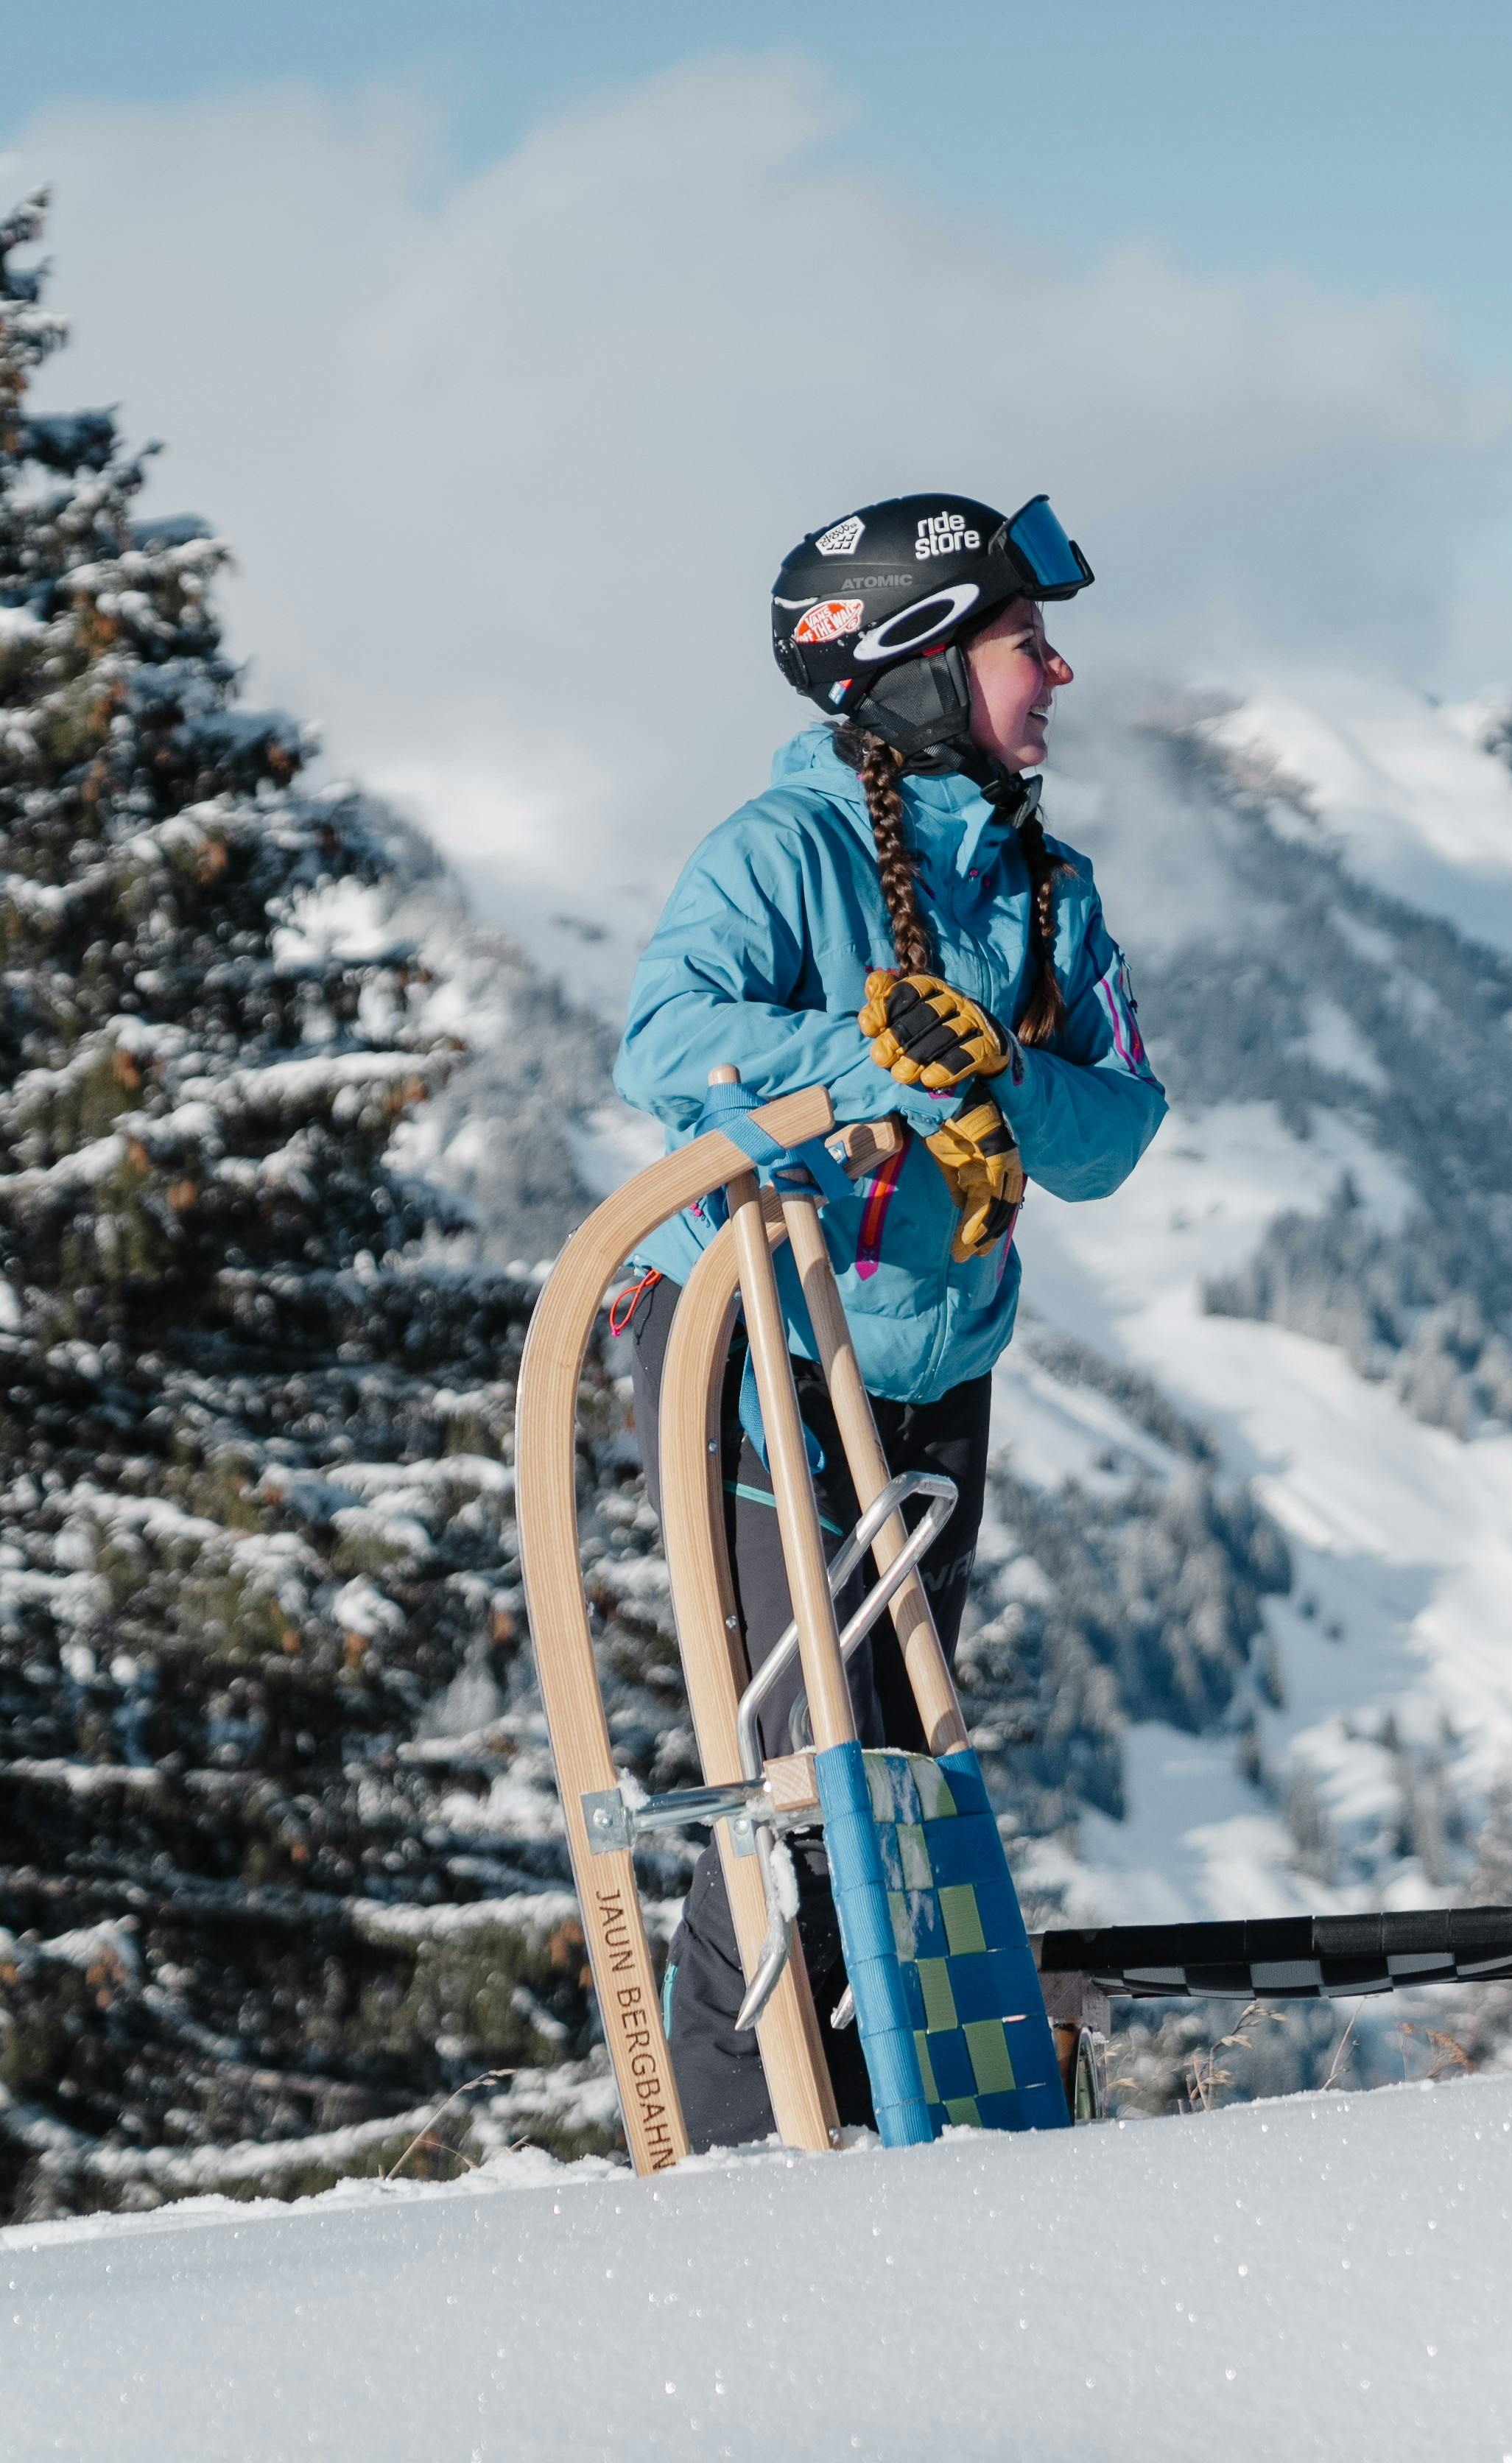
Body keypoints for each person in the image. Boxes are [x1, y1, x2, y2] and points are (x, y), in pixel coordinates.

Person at [616, 491, 1168, 2144]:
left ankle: (872, 2129)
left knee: (902, 1775)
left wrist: (992, 1063)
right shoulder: (778, 854)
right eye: (1021, 644)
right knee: (808, 1783)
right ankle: (742, 2151)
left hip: (934, 1369)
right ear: (918, 667)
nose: (1057, 671)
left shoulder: (1038, 878)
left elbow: (1119, 1133)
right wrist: (869, 1065)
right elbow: (665, 1047)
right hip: (763, 1356)